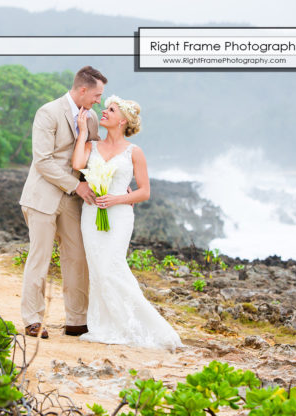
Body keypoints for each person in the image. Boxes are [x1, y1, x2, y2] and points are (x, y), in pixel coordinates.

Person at [71, 95, 183, 351]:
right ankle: (105, 325)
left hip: (120, 215)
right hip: (92, 214)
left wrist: (117, 199)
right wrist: (80, 134)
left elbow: (144, 192)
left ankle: (142, 326)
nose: (104, 112)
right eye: (106, 108)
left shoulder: (135, 152)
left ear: (122, 121)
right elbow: (77, 164)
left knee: (112, 265)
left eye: (110, 110)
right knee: (98, 270)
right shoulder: (92, 146)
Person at [19, 66, 107, 339]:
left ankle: (77, 320)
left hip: (72, 201)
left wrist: (112, 177)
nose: (98, 101)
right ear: (82, 90)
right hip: (42, 197)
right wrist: (77, 185)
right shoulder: (48, 112)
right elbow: (42, 161)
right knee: (40, 258)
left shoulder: (91, 118)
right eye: (96, 94)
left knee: (77, 258)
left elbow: (95, 153)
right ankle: (33, 320)